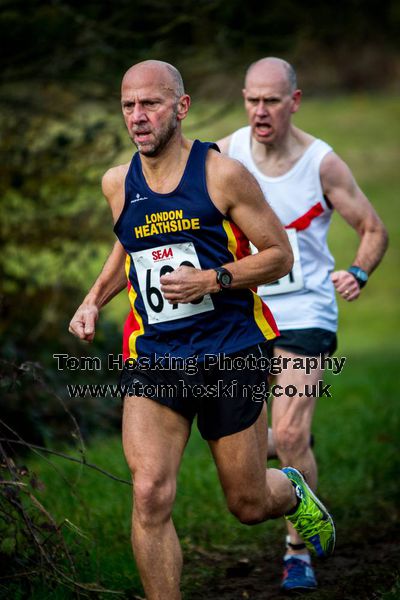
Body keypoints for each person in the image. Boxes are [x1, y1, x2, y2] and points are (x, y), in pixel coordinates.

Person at [69, 60, 335, 600]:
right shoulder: (117, 182)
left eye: (151, 104)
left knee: (248, 504)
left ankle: (295, 492)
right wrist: (93, 299)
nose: (138, 117)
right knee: (148, 493)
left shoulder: (221, 174)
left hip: (231, 352)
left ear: (181, 107)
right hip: (157, 355)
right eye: (128, 106)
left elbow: (280, 256)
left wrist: (213, 280)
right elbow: (129, 246)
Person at [217, 57, 388, 593]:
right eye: (252, 99)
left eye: (271, 100)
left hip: (306, 310)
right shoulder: (226, 154)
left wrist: (358, 270)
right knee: (240, 434)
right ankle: (294, 451)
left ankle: (297, 550)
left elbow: (373, 227)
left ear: (294, 100)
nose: (260, 111)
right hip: (246, 311)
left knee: (287, 432)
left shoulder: (322, 164)